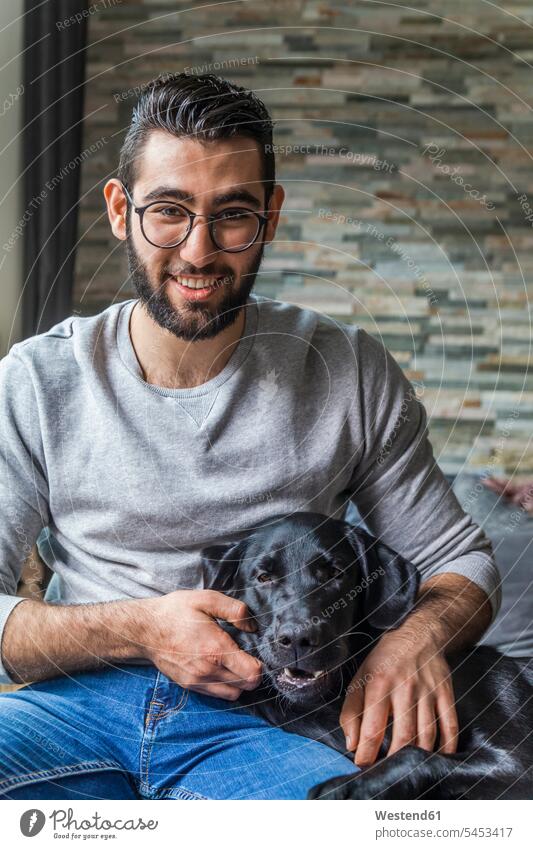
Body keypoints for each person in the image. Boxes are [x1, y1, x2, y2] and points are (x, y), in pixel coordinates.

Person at [0, 73, 501, 800]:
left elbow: (458, 558)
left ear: (268, 215)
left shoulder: (346, 368)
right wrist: (141, 629)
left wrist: (412, 639)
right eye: (168, 211)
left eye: (230, 215)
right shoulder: (37, 379)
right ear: (120, 209)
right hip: (71, 707)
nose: (198, 252)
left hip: (272, 727)